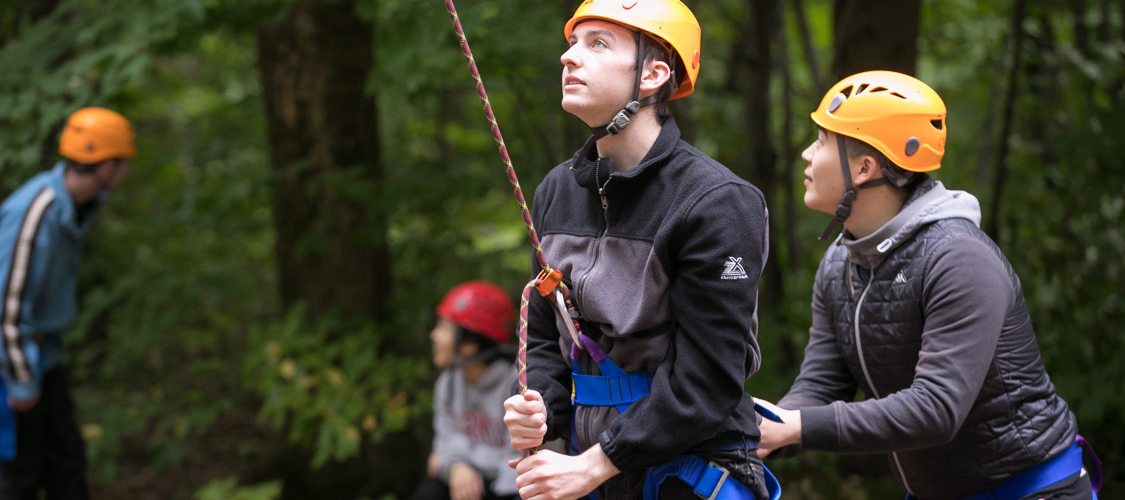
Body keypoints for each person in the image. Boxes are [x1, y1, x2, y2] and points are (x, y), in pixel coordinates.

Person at [755, 70, 1100, 500]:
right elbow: (823, 384)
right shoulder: (839, 265)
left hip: (1034, 491)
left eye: (822, 141)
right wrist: (759, 427)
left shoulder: (958, 257)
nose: (807, 154)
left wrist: (798, 427)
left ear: (864, 168)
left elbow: (936, 409)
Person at [501, 1, 777, 500]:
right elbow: (544, 336)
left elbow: (709, 379)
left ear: (652, 75)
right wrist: (542, 407)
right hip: (594, 459)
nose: (569, 57)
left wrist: (595, 464)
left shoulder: (716, 203)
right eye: (572, 42)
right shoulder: (556, 192)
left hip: (693, 461)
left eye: (598, 44)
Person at [0, 106, 134, 499]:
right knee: (18, 478)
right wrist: (22, 381)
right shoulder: (36, 211)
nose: (125, 173)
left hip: (45, 359)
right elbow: (5, 308)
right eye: (122, 164)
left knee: (66, 466)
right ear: (106, 164)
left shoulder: (76, 208)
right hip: (12, 363)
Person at [410, 281, 522, 500]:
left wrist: (456, 461)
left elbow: (518, 463)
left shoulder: (516, 386)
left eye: (443, 328)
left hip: (508, 486)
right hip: (467, 482)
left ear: (469, 343)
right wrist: (456, 467)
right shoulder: (448, 383)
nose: (434, 336)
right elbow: (443, 443)